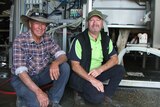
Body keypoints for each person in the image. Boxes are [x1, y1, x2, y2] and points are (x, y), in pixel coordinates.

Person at [11, 9, 70, 107]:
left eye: (43, 24)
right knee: (37, 103)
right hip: (22, 78)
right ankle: (23, 98)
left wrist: (55, 63)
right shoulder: (20, 40)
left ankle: (53, 100)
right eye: (37, 23)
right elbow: (21, 72)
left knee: (64, 67)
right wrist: (39, 92)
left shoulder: (47, 39)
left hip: (40, 76)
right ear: (30, 24)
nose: (40, 27)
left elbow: (63, 56)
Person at [68, 9, 125, 105]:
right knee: (97, 98)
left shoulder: (105, 39)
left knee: (119, 70)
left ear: (102, 23)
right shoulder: (79, 39)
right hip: (83, 75)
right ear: (87, 23)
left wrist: (100, 70)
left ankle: (106, 96)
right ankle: (78, 92)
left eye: (98, 20)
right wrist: (92, 80)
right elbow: (75, 66)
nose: (95, 23)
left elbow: (115, 59)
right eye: (92, 20)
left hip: (97, 73)